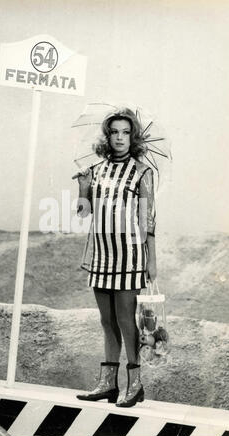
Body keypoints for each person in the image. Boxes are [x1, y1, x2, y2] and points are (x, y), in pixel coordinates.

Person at [75, 107, 157, 408]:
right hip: (102, 254)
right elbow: (83, 213)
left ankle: (134, 385)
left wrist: (152, 260)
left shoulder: (142, 172)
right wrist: (83, 189)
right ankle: (107, 384)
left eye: (125, 132)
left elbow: (148, 219)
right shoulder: (96, 170)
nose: (119, 138)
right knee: (106, 320)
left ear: (133, 137)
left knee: (126, 320)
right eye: (114, 132)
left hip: (130, 256)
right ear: (107, 136)